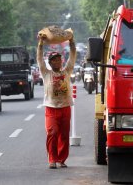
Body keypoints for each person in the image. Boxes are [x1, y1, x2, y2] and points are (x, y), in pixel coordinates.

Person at [36, 35, 76, 169]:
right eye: (54, 60)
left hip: (65, 108)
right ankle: (52, 159)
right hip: (51, 108)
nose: (58, 61)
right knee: (52, 133)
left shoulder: (67, 71)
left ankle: (61, 159)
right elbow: (39, 59)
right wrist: (41, 43)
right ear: (50, 63)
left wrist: (71, 42)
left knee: (64, 135)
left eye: (59, 59)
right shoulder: (46, 73)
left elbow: (72, 57)